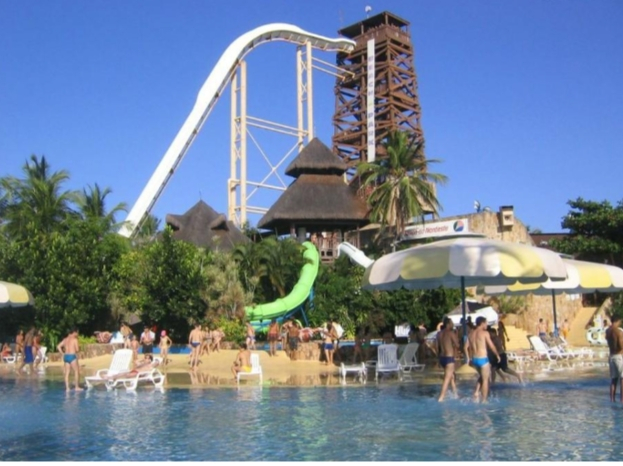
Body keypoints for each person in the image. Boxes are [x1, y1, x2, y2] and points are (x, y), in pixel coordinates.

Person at [466, 316, 500, 403]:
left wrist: (468, 358)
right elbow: (491, 346)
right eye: (486, 322)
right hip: (483, 359)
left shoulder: (470, 334)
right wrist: (497, 355)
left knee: (482, 376)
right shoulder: (485, 333)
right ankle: (484, 400)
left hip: (474, 359)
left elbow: (465, 347)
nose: (487, 324)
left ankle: (476, 392)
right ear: (482, 323)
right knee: (485, 379)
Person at [437, 317, 459, 402]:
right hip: (449, 358)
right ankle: (441, 398)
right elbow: (457, 345)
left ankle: (455, 394)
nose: (453, 324)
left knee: (451, 376)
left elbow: (437, 346)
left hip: (442, 358)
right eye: (452, 323)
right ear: (448, 324)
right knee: (447, 378)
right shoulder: (450, 333)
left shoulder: (439, 334)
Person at [605, 315, 623, 403]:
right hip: (619, 356)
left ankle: (612, 399)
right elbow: (620, 345)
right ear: (617, 321)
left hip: (611, 356)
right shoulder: (619, 332)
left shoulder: (607, 331)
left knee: (613, 379)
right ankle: (622, 399)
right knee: (622, 379)